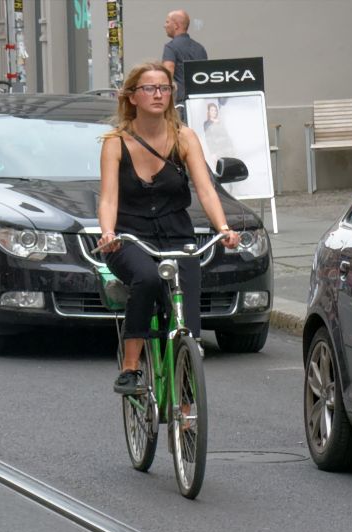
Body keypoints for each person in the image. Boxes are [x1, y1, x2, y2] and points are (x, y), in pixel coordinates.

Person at [97, 61, 239, 394]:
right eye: (149, 88)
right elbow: (108, 198)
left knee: (187, 320)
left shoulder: (184, 137)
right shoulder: (115, 142)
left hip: (177, 236)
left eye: (164, 88)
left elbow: (205, 189)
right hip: (130, 238)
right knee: (145, 279)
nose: (158, 94)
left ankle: (186, 405)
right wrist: (108, 232)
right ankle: (131, 367)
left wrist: (223, 227)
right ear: (132, 97)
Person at [161, 9, 207, 106]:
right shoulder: (200, 48)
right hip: (200, 102)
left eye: (167, 22)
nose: (164, 25)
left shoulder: (171, 47)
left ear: (176, 25)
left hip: (181, 103)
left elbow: (167, 73)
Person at [202, 102, 235, 170]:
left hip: (227, 148)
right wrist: (213, 153)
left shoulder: (220, 122)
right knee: (220, 169)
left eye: (215, 110)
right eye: (212, 110)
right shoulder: (207, 123)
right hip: (217, 150)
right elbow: (209, 139)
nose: (214, 112)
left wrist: (231, 147)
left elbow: (226, 135)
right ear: (209, 112)